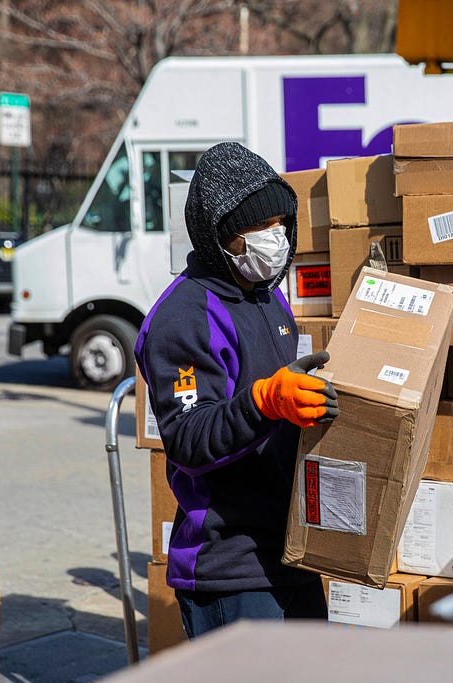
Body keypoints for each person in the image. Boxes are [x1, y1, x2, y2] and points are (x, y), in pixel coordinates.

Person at [134, 142, 339, 638]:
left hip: (289, 548)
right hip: (229, 564)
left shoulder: (268, 299)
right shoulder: (184, 316)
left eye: (280, 224)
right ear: (219, 236)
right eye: (257, 228)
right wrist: (266, 401)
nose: (275, 238)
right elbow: (187, 436)